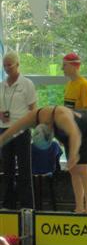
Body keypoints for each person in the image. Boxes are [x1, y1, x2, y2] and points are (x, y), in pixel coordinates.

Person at [1, 51, 36, 209]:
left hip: (22, 130)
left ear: (17, 64)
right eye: (4, 65)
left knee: (24, 169)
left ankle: (27, 206)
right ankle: (8, 204)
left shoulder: (27, 84)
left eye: (10, 65)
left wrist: (31, 126)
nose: (7, 68)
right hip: (4, 130)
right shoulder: (2, 85)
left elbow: (33, 109)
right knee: (7, 169)